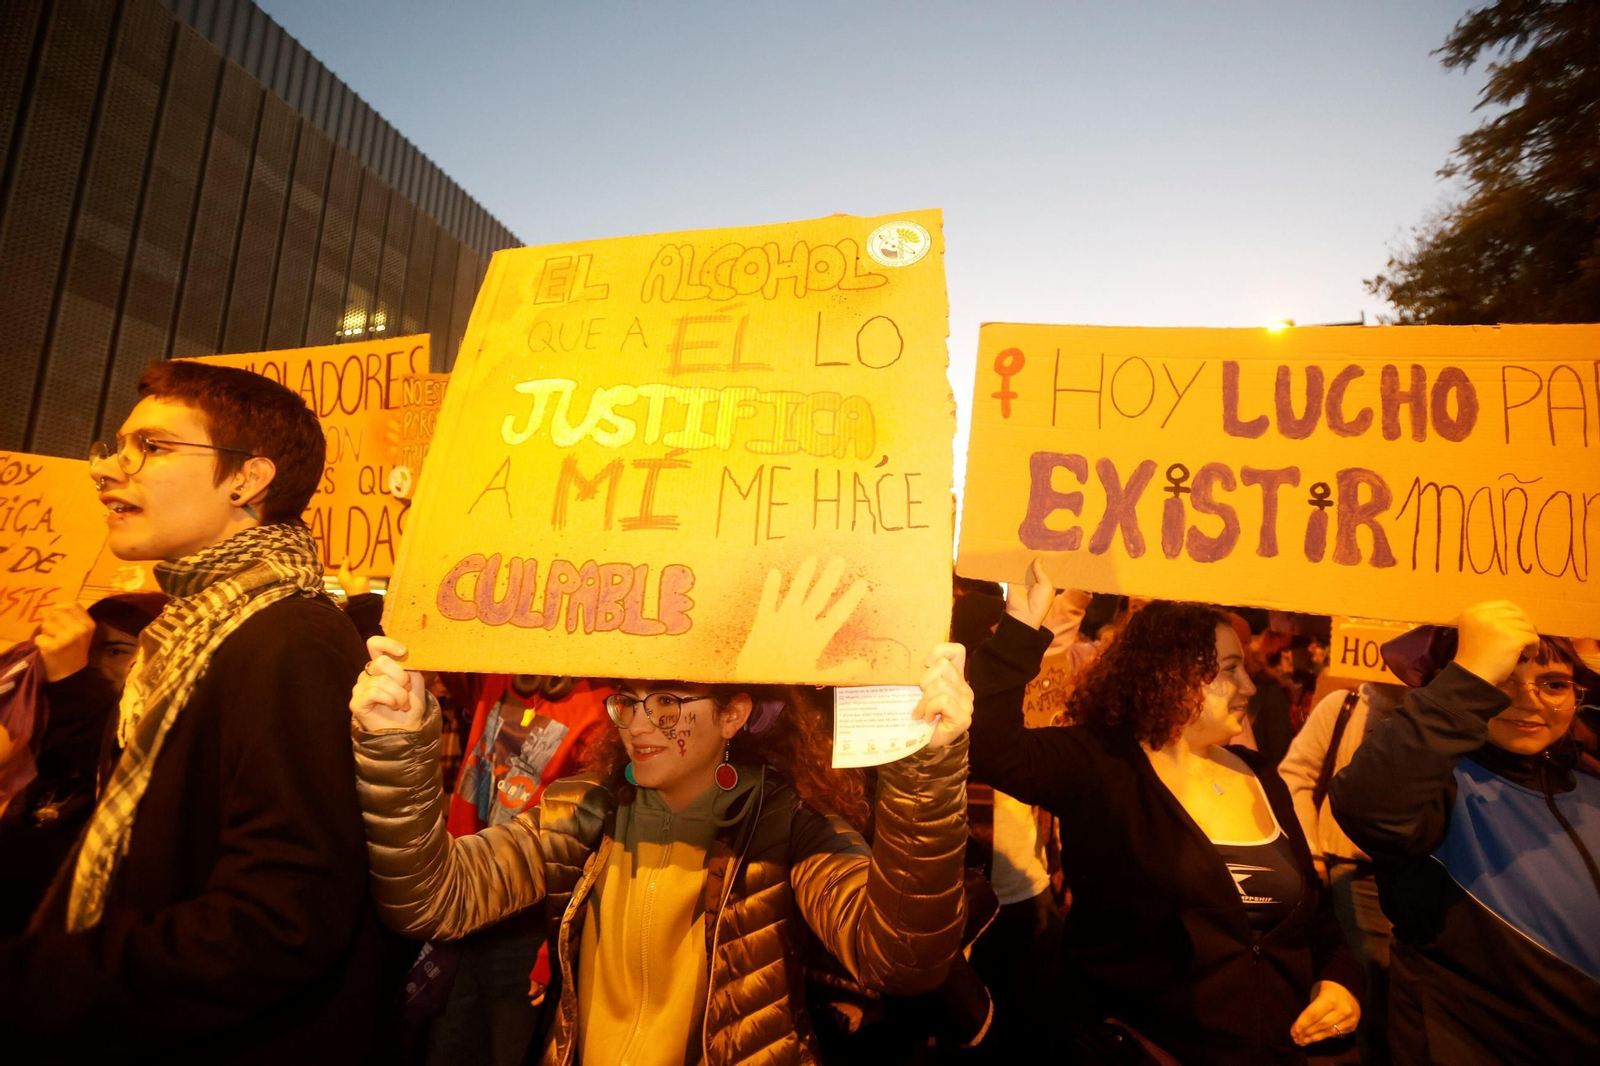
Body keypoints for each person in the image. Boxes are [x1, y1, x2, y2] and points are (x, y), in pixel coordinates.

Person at [1, 360, 389, 1062]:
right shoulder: (189, 630)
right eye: (114, 447)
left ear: (247, 479)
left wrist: (42, 979)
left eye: (151, 447)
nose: (108, 470)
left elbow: (281, 921)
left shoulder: (288, 640)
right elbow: (144, 843)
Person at [349, 634, 975, 1066]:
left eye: (669, 703)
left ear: (734, 715)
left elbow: (899, 958)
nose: (637, 723)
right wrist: (395, 748)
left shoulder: (791, 827)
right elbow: (436, 901)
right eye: (626, 700)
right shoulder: (581, 811)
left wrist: (927, 776)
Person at [967, 560, 1361, 1065]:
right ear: (1170, 676)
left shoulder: (1260, 776)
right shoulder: (1101, 764)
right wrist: (1022, 630)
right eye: (1227, 671)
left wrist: (1340, 981)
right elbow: (992, 745)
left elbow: (1315, 921)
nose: (1248, 686)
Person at [1329, 602, 1600, 1065]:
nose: (1529, 701)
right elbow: (1368, 804)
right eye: (1501, 680)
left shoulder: (1591, 782)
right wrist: (1471, 672)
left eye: (1553, 684)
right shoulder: (1441, 786)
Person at [0, 595, 166, 933]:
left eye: (117, 651)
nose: (89, 664)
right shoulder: (49, 742)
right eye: (85, 650)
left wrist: (72, 682)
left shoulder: (176, 745)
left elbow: (120, 770)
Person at [1279, 681, 1405, 1065]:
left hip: (1416, 872)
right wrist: (1312, 851)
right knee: (1365, 982)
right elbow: (1296, 776)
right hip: (1350, 870)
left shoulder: (1439, 709)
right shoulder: (1343, 706)